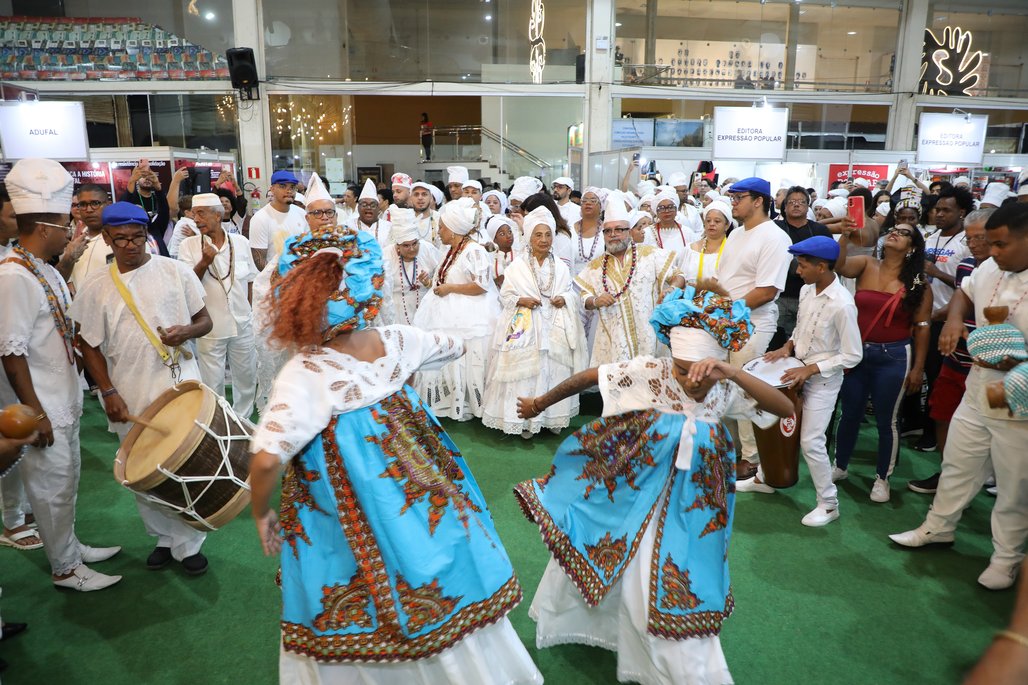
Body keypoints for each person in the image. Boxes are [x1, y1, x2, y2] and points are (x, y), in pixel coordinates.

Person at [246, 220, 541, 685]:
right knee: (432, 549)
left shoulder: (306, 374)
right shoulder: (400, 340)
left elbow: (266, 459)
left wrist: (261, 512)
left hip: (344, 502)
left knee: (349, 569)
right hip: (418, 480)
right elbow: (454, 346)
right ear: (368, 291)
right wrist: (400, 372)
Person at [514, 285, 793, 685]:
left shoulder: (727, 387)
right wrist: (539, 403)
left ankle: (673, 655)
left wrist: (732, 373)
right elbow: (592, 376)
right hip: (638, 491)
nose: (691, 380)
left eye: (702, 370)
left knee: (673, 570)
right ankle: (617, 635)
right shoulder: (652, 372)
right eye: (681, 368)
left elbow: (784, 408)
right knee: (624, 559)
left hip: (693, 502)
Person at [889, 204, 1028, 591]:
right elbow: (964, 295)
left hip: (1018, 392)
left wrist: (1015, 360)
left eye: (1000, 244)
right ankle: (938, 527)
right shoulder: (989, 268)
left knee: (1014, 483)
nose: (991, 251)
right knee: (958, 462)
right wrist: (953, 320)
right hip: (980, 382)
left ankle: (1005, 558)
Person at [71, 201, 214, 575]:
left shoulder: (175, 271)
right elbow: (88, 344)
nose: (131, 245)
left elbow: (205, 320)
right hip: (128, 389)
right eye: (121, 239)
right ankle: (163, 538)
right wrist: (107, 391)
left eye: (138, 237)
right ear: (107, 238)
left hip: (180, 385)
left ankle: (188, 543)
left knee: (184, 464)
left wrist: (186, 331)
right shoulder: (95, 286)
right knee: (142, 469)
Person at [0, 158, 121, 591]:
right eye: (64, 224)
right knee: (50, 489)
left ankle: (70, 548)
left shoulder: (46, 268)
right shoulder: (13, 276)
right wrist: (35, 412)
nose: (71, 230)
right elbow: (11, 354)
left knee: (66, 481)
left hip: (64, 396)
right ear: (44, 228)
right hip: (43, 404)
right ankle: (65, 569)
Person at [737, 237, 863, 526]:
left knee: (811, 441)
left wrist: (812, 369)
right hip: (795, 371)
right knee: (770, 423)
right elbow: (802, 327)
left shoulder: (843, 304)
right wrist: (787, 347)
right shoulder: (807, 290)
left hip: (823, 381)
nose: (798, 271)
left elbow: (853, 355)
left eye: (803, 265)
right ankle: (764, 478)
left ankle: (829, 504)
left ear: (822, 267)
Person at [832, 222, 931, 502]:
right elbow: (838, 265)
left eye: (904, 232)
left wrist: (918, 368)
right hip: (857, 353)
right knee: (849, 413)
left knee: (888, 421)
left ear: (912, 247)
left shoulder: (918, 284)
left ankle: (882, 478)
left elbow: (922, 327)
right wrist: (845, 236)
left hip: (894, 356)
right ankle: (840, 465)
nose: (895, 232)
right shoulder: (866, 264)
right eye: (894, 229)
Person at [908, 208, 993, 494]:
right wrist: (934, 319)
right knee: (942, 413)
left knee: (989, 426)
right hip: (956, 357)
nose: (974, 244)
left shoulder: (1009, 271)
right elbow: (961, 296)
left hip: (991, 367)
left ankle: (982, 477)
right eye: (970, 238)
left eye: (981, 237)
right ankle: (948, 474)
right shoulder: (967, 265)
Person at [482, 207, 586, 438]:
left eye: (548, 235)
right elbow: (505, 296)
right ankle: (524, 422)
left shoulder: (560, 266)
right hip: (525, 327)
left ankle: (551, 418)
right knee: (526, 374)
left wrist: (564, 299)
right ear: (529, 237)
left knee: (554, 371)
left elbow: (571, 293)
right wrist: (522, 300)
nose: (544, 240)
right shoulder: (517, 266)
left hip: (555, 326)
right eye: (538, 235)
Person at [719, 177, 794, 479]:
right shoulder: (737, 233)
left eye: (739, 197)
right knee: (722, 388)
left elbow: (766, 291)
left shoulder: (775, 237)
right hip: (725, 322)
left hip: (753, 323)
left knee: (745, 389)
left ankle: (752, 460)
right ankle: (730, 451)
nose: (733, 203)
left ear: (759, 200)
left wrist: (724, 311)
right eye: (732, 197)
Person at [413, 197, 500, 421]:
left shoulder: (474, 251)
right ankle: (449, 402)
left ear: (453, 230)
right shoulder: (451, 250)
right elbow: (443, 279)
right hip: (445, 312)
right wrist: (430, 283)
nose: (439, 232)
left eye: (442, 227)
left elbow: (482, 285)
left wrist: (451, 288)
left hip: (470, 314)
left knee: (468, 360)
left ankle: (472, 403)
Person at [575, 192, 684, 365]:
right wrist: (595, 301)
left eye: (619, 229)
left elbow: (678, 275)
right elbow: (584, 298)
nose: (613, 234)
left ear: (629, 232)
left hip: (651, 339)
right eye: (608, 231)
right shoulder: (595, 267)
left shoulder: (650, 254)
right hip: (614, 343)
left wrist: (671, 288)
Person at [177, 193, 259, 418]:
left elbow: (250, 280)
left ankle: (243, 421)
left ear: (217, 215)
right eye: (194, 214)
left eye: (201, 213)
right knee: (212, 383)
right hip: (210, 326)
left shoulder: (240, 242)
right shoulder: (188, 246)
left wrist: (249, 311)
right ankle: (219, 424)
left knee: (246, 378)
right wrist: (204, 262)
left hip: (242, 324)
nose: (196, 219)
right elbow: (187, 286)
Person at [915, 186, 975, 452]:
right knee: (921, 373)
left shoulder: (967, 243)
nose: (938, 214)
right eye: (936, 209)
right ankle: (918, 424)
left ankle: (932, 434)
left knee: (938, 379)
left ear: (961, 212)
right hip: (924, 316)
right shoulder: (931, 237)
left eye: (945, 210)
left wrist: (937, 273)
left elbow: (968, 287)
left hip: (947, 319)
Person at [249, 170, 308, 412]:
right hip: (273, 294)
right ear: (272, 189)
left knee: (298, 353)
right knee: (273, 352)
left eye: (292, 187)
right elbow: (259, 262)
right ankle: (272, 408)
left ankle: (297, 405)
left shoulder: (301, 214)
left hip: (301, 292)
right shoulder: (261, 219)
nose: (289, 191)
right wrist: (283, 280)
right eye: (283, 186)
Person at [773, 186, 833, 341]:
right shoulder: (775, 229)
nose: (796, 205)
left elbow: (830, 262)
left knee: (807, 340)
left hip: (812, 296)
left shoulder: (820, 230)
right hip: (780, 296)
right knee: (776, 341)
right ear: (784, 207)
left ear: (808, 206)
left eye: (801, 202)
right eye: (792, 202)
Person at [381, 207, 440, 326]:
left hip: (425, 309)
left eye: (415, 243)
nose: (412, 249)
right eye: (406, 246)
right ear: (398, 246)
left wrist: (429, 282)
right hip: (396, 312)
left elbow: (443, 279)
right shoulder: (386, 255)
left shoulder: (427, 249)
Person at [121, 160, 187, 256]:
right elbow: (123, 208)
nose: (147, 179)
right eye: (143, 177)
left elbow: (165, 211)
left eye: (149, 176)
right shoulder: (129, 237)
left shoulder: (155, 230)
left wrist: (158, 187)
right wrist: (132, 181)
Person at [680, 199, 733, 283]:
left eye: (717, 221)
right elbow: (681, 275)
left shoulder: (733, 250)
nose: (711, 224)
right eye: (708, 220)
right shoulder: (691, 249)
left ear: (727, 225)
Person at [651, 189, 697, 257]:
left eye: (671, 207)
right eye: (662, 208)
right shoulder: (648, 233)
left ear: (676, 210)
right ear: (656, 212)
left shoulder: (688, 233)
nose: (667, 211)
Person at [347, 179, 391, 248]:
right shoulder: (348, 226)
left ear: (378, 208)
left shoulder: (389, 227)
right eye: (364, 204)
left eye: (373, 205)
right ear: (358, 207)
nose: (368, 208)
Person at [570, 187, 604, 276]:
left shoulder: (607, 231)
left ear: (601, 206)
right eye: (584, 201)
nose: (588, 203)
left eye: (593, 201)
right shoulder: (570, 230)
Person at [411, 181, 441, 246]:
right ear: (410, 198)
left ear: (431, 198)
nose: (420, 198)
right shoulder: (405, 218)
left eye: (424, 194)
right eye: (416, 194)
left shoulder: (439, 219)